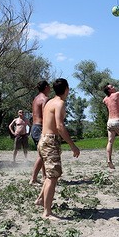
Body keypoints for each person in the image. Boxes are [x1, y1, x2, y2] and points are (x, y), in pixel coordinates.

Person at [34, 78, 80, 220]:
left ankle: (41, 200)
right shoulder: (60, 103)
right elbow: (60, 126)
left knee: (49, 174)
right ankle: (47, 213)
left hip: (43, 139)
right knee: (53, 177)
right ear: (66, 89)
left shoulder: (49, 102)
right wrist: (73, 145)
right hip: (50, 141)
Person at [29, 80, 51, 185]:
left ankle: (44, 176)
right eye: (49, 86)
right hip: (40, 128)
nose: (50, 88)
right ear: (46, 87)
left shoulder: (36, 98)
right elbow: (46, 115)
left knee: (41, 153)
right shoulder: (45, 99)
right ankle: (33, 179)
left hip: (34, 128)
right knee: (42, 154)